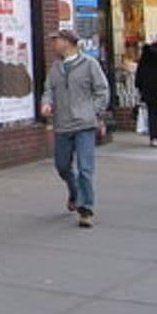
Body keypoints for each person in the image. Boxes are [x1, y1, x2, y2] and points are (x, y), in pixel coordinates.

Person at [40, 28, 109, 229]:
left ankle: (86, 209)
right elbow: (48, 90)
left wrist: (92, 111)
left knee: (86, 169)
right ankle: (74, 190)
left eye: (57, 40)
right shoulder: (55, 67)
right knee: (62, 166)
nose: (53, 44)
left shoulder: (89, 65)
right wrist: (46, 103)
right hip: (62, 124)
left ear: (68, 43)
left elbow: (102, 91)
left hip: (84, 124)